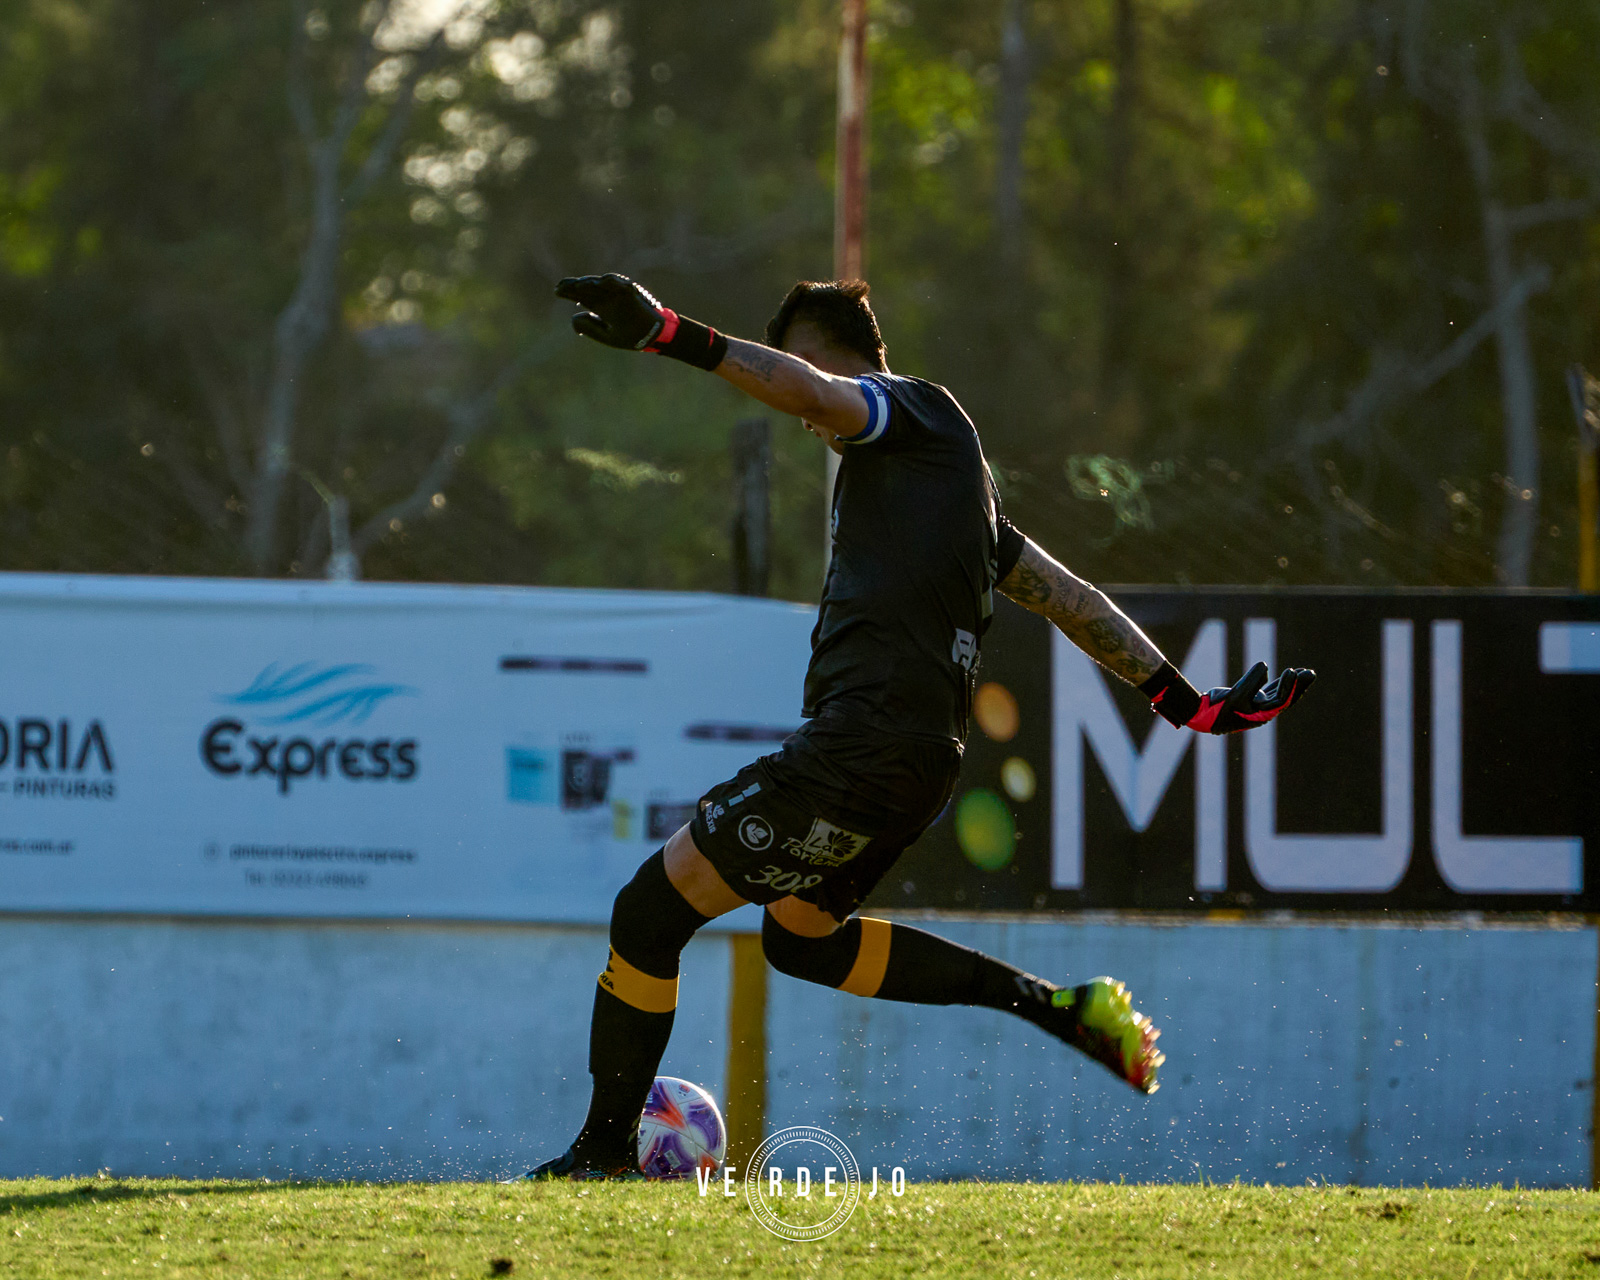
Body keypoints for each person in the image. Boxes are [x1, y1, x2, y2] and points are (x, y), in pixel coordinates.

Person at [525, 274, 1314, 1179]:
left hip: (860, 744)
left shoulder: (907, 412)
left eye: (800, 375)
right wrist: (1187, 702)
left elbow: (813, 392)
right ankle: (1053, 1006)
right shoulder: (949, 483)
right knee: (801, 939)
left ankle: (602, 1151)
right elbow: (1067, 596)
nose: (808, 423)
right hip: (918, 763)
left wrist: (667, 332)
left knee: (647, 913)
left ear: (818, 350)